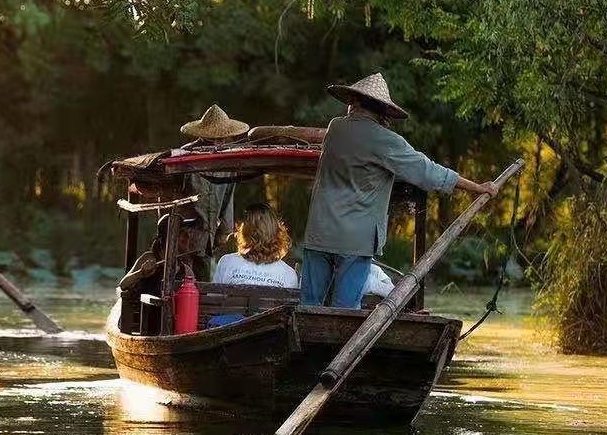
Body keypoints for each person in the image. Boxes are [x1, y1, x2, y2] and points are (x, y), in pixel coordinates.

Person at [301, 73, 498, 309]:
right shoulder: (385, 139)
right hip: (355, 240)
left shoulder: (335, 128)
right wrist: (476, 187)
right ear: (383, 112)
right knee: (344, 311)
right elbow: (427, 172)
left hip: (319, 232)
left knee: (309, 306)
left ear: (355, 103)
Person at [178, 104, 249, 280]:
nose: (220, 142)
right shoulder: (185, 155)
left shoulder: (227, 161)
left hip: (207, 237)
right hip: (182, 236)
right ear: (203, 135)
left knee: (202, 284)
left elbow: (227, 197)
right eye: (215, 138)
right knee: (179, 281)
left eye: (222, 138)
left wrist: (224, 231)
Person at [212, 203, 298, 290]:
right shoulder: (288, 274)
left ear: (244, 232)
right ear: (276, 233)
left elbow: (214, 298)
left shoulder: (227, 262)